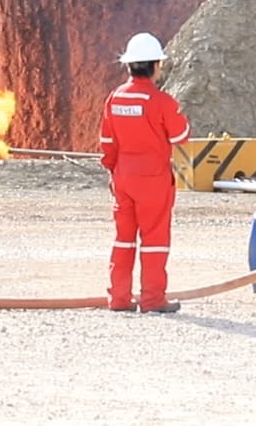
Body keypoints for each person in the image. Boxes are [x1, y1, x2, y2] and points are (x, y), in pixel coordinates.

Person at [99, 31, 190, 314]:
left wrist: (113, 173)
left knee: (123, 239)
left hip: (123, 176)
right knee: (154, 240)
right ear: (155, 66)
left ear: (129, 65)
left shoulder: (114, 98)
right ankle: (152, 300)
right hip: (153, 179)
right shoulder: (161, 101)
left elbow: (107, 143)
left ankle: (119, 299)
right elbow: (182, 136)